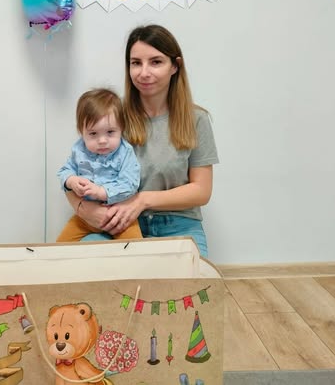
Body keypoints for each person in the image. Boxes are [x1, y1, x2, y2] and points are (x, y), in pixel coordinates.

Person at [63, 24, 219, 257]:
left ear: (175, 66)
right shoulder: (112, 115)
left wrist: (142, 200)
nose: (144, 72)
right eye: (136, 63)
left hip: (178, 225)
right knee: (81, 266)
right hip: (115, 225)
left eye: (156, 62)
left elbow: (201, 191)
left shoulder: (196, 119)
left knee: (189, 278)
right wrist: (85, 210)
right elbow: (74, 171)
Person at [56, 88, 142, 241]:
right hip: (84, 219)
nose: (102, 140)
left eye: (110, 132)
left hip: (119, 217)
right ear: (81, 131)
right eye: (93, 134)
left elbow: (130, 184)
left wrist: (101, 192)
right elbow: (65, 170)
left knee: (135, 247)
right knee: (61, 246)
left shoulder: (125, 153)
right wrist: (71, 180)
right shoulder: (79, 150)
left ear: (121, 128)